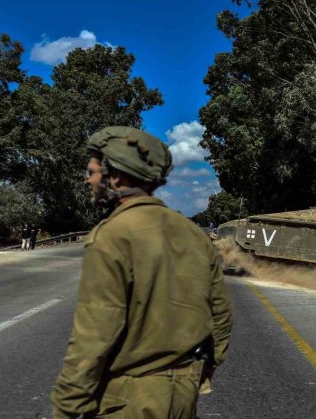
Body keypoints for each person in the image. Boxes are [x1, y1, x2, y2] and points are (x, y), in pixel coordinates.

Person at [50, 126, 233, 419]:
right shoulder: (192, 233)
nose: (88, 180)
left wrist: (65, 408)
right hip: (184, 394)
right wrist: (200, 371)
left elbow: (94, 335)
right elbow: (221, 315)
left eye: (92, 172)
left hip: (128, 400)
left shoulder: (113, 234)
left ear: (115, 176)